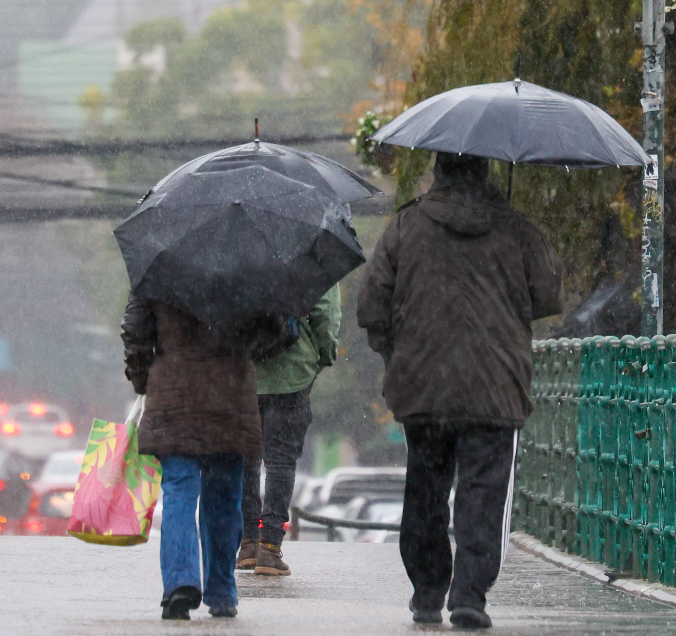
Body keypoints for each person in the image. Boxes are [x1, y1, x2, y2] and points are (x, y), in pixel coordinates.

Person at [356, 152, 563, 630]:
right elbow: (548, 295)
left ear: (439, 169)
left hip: (424, 385)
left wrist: (398, 353)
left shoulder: (406, 227)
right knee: (484, 492)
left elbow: (372, 304)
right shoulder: (515, 228)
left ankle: (428, 590)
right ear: (487, 171)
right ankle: (469, 594)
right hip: (496, 388)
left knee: (426, 487)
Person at [121, 294, 283, 620]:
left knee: (179, 492)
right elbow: (274, 332)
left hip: (173, 396)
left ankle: (180, 583)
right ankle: (222, 592)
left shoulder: (157, 269)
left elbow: (135, 333)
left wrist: (143, 379)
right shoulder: (247, 271)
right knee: (223, 501)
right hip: (229, 397)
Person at [236, 284, 341, 576]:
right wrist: (323, 354)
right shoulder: (313, 252)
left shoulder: (242, 249)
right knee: (281, 460)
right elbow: (325, 313)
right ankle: (270, 547)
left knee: (247, 459)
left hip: (246, 372)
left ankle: (248, 542)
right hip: (293, 371)